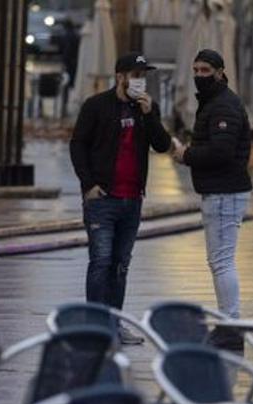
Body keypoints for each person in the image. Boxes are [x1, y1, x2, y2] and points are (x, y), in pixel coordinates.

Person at [70, 52, 171, 345]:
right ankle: (95, 327)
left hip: (132, 199)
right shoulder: (96, 106)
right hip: (103, 198)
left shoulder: (147, 109)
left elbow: (162, 145)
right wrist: (88, 185)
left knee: (120, 264)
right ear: (120, 77)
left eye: (143, 77)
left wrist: (150, 114)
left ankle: (115, 324)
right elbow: (78, 145)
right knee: (100, 262)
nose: (140, 81)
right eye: (136, 76)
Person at [172, 49, 251, 352]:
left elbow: (221, 152)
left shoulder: (223, 106)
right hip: (221, 190)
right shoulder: (214, 102)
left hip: (225, 191)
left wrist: (186, 155)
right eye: (196, 70)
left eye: (206, 70)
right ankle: (228, 324)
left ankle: (230, 326)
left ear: (220, 72)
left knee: (221, 261)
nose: (199, 76)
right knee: (220, 261)